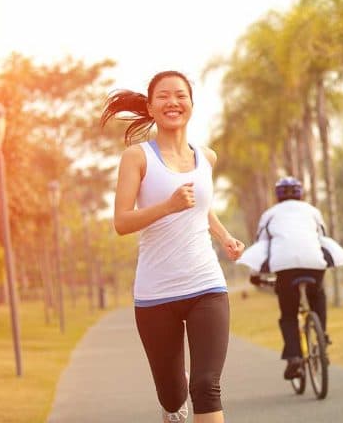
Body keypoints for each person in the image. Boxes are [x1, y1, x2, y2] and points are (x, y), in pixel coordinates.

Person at [100, 70, 244, 423]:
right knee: (173, 394)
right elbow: (121, 222)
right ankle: (171, 409)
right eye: (163, 96)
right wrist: (167, 206)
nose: (172, 102)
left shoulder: (205, 157)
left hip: (206, 285)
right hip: (156, 294)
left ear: (191, 105)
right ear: (150, 107)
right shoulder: (137, 157)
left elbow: (200, 205)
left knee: (206, 385)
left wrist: (224, 236)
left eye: (180, 95)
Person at [252, 176, 330, 380]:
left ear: (277, 195)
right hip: (314, 264)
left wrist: (256, 274)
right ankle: (322, 335)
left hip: (285, 268)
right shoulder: (313, 211)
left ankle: (294, 358)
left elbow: (261, 245)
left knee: (288, 314)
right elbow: (322, 238)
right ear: (300, 193)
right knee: (318, 295)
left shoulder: (269, 214)